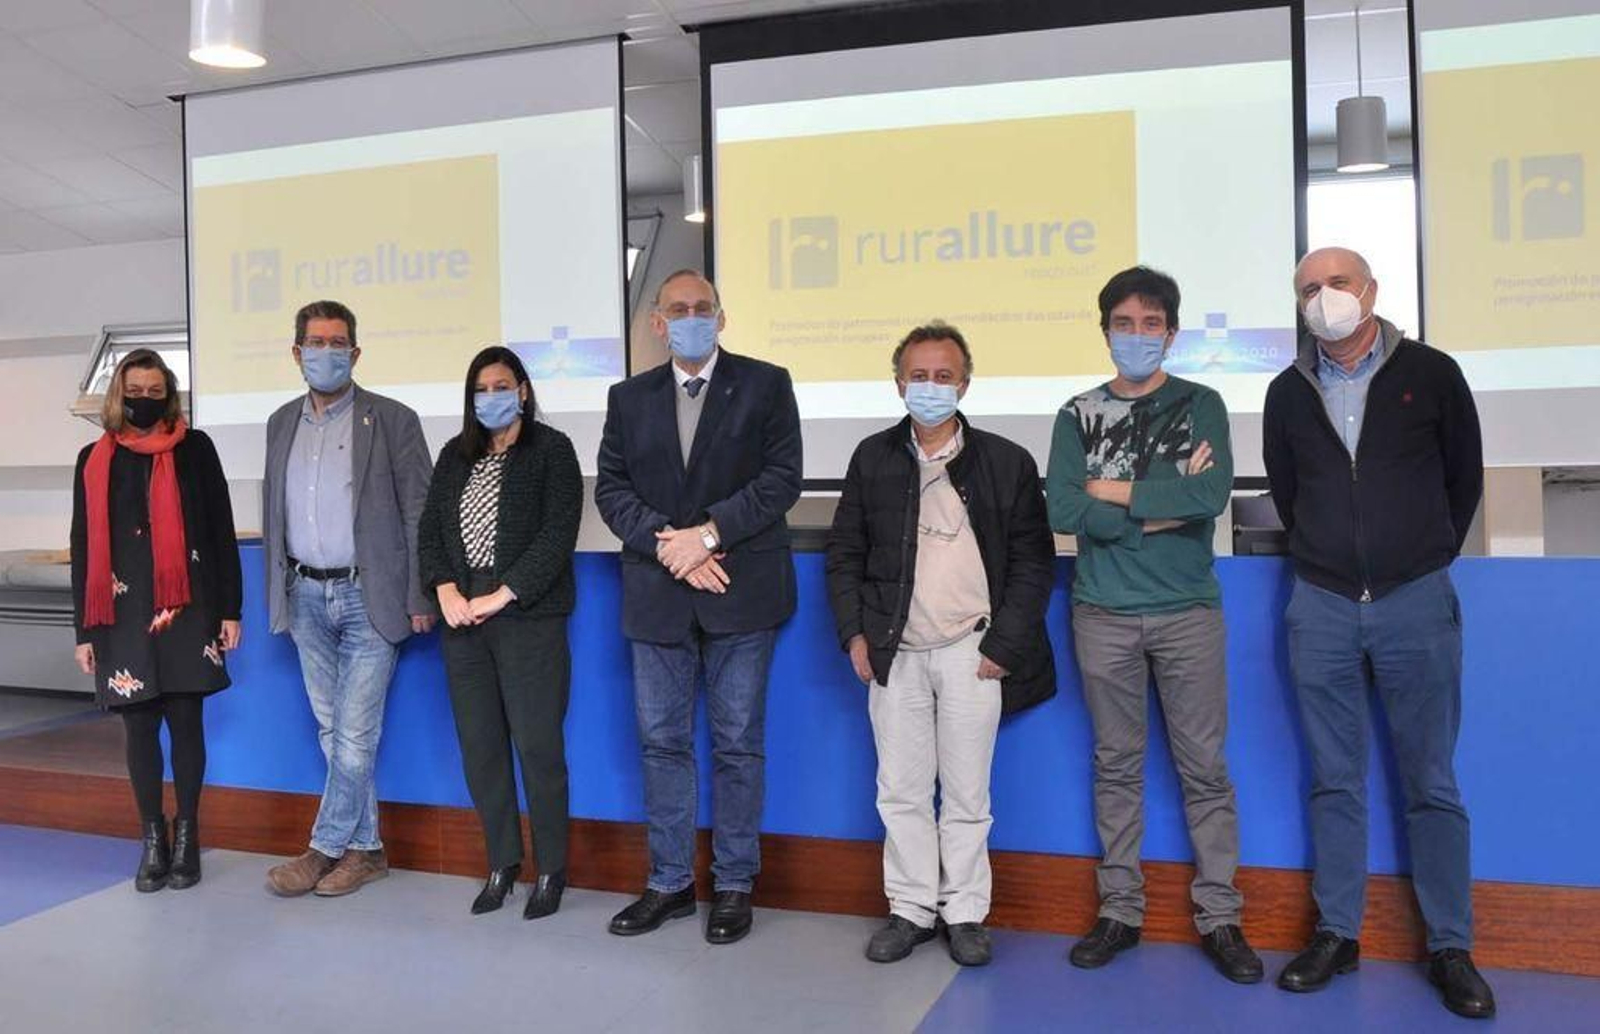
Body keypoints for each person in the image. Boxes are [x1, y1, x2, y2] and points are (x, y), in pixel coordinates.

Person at [1264, 247, 1493, 1019]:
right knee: (1334, 779)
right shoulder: (1286, 392)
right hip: (1321, 604)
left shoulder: (1432, 373)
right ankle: (1337, 933)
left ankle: (1451, 947)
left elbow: (1463, 480)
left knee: (1432, 782)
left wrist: (1419, 554)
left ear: (1370, 291)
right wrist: (1332, 556)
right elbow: (1290, 493)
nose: (1323, 297)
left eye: (1337, 283)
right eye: (1309, 288)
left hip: (1415, 601)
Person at [1045, 266, 1262, 983]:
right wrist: (1154, 507)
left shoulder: (1201, 404)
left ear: (1170, 333)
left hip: (1187, 613)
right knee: (1116, 765)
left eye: (1150, 324)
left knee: (1205, 769)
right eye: (1123, 323)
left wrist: (1107, 492)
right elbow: (1063, 509)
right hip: (1102, 614)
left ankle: (1221, 916)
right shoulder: (1077, 414)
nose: (1135, 335)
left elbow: (1209, 496)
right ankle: (1120, 911)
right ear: (1105, 329)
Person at [826, 322, 1056, 968]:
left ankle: (965, 913)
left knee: (966, 795)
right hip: (894, 650)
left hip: (973, 651)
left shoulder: (1006, 462)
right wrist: (854, 634)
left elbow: (1034, 562)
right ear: (899, 384)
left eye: (944, 376)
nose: (931, 387)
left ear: (966, 384)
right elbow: (844, 554)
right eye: (919, 376)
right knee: (899, 790)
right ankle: (910, 909)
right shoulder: (872, 458)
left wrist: (1003, 645)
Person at [594, 269, 802, 945]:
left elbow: (782, 479)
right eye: (678, 310)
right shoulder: (627, 398)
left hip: (741, 591)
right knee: (662, 745)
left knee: (738, 744)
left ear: (721, 317)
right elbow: (612, 490)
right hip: (658, 596)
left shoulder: (767, 384)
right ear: (658, 323)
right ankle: (670, 883)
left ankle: (735, 884)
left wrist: (707, 537)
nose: (691, 318)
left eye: (702, 308)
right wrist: (672, 546)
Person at [262, 300, 435, 899]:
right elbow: (274, 512)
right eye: (316, 343)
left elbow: (419, 513)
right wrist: (279, 594)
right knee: (333, 730)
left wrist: (419, 595)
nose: (326, 353)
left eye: (338, 343)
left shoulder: (393, 419)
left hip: (370, 595)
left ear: (355, 353)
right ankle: (368, 851)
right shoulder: (279, 422)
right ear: (297, 353)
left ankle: (323, 848)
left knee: (355, 734)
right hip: (305, 594)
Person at [418, 346, 582, 919]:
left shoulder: (553, 451)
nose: (491, 397)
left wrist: (504, 593)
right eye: (481, 390)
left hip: (526, 616)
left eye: (501, 386)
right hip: (463, 620)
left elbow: (557, 534)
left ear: (523, 391)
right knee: (481, 749)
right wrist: (444, 589)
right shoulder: (454, 455)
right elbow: (431, 531)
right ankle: (502, 863)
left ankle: (551, 869)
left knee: (538, 748)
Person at [70, 349, 242, 892]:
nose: (144, 401)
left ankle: (187, 834)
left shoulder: (197, 449)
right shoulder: (93, 459)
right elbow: (82, 544)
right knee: (139, 726)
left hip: (189, 607)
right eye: (134, 392)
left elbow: (220, 531)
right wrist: (83, 632)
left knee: (187, 721)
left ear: (169, 394)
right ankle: (152, 838)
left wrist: (231, 609)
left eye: (154, 392)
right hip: (120, 613)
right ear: (118, 396)